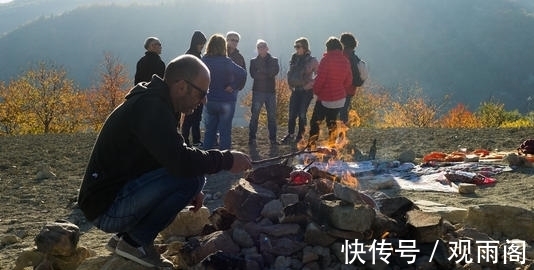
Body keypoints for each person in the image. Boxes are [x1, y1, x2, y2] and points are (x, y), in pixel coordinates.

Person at [77, 54, 252, 268]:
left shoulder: (158, 103)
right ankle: (134, 241)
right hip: (107, 208)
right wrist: (226, 159)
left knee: (190, 179)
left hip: (107, 199)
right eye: (201, 93)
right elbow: (181, 161)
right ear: (180, 86)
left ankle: (124, 238)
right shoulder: (151, 108)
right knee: (192, 178)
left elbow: (163, 156)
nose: (204, 100)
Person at [202, 34, 247, 150]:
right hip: (226, 101)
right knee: (225, 132)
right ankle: (225, 160)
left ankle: (206, 158)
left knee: (209, 131)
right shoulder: (226, 61)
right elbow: (243, 73)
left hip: (210, 100)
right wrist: (233, 85)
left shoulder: (204, 60)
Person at [308, 36, 352, 146]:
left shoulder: (326, 60)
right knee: (332, 123)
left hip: (326, 99)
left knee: (315, 122)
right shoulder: (345, 61)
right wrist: (339, 87)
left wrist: (316, 92)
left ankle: (311, 146)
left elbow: (320, 80)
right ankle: (332, 147)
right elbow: (348, 80)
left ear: (328, 48)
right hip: (340, 99)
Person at [280, 37, 318, 144]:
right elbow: (290, 72)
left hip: (306, 91)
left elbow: (319, 74)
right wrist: (289, 83)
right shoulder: (294, 58)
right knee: (292, 113)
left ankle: (300, 136)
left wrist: (310, 85)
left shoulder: (312, 60)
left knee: (302, 113)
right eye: (295, 46)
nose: (296, 49)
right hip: (296, 90)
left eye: (298, 47)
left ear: (305, 47)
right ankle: (290, 134)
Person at [248, 39, 280, 145]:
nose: (261, 49)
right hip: (258, 92)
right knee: (254, 116)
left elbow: (273, 72)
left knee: (272, 116)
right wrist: (267, 72)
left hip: (270, 92)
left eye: (263, 47)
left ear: (267, 48)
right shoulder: (253, 61)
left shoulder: (274, 60)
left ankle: (273, 139)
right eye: (259, 47)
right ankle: (252, 138)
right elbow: (253, 75)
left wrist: (261, 70)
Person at [182, 30, 207, 147]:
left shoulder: (194, 55)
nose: (202, 46)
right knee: (189, 117)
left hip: (197, 91)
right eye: (200, 43)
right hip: (192, 92)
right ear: (196, 43)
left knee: (196, 117)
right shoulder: (191, 56)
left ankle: (195, 140)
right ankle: (186, 140)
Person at [339, 32, 364, 126]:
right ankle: (343, 133)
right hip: (351, 88)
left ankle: (340, 134)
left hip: (342, 87)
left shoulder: (343, 55)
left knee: (340, 110)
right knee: (344, 109)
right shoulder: (354, 57)